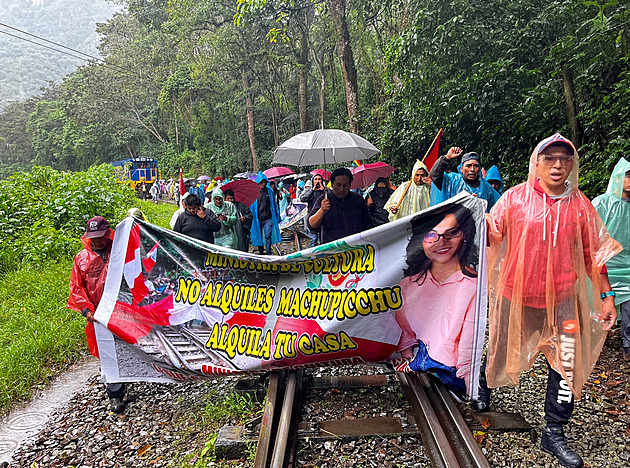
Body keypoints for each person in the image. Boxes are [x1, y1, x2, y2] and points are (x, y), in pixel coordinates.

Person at [480, 133, 621, 468]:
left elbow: (595, 256)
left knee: (567, 362)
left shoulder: (581, 207)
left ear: (572, 165)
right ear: (537, 164)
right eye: (550, 159)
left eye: (565, 159)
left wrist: (607, 297)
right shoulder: (515, 199)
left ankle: (554, 430)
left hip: (563, 303)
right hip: (518, 298)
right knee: (501, 346)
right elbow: (490, 234)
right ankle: (483, 386)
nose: (558, 166)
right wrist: (467, 217)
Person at [395, 204, 478, 397]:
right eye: (432, 235)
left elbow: (469, 342)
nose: (442, 242)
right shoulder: (407, 285)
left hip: (452, 371)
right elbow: (404, 335)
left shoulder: (471, 285)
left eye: (452, 233)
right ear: (420, 241)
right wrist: (407, 354)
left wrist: (467, 379)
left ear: (464, 235)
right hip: (417, 359)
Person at [67, 216, 126, 413]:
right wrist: (87, 310)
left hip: (122, 310)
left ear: (108, 234)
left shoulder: (121, 252)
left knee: (126, 346)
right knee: (107, 352)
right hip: (98, 314)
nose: (97, 241)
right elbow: (77, 287)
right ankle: (115, 394)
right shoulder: (81, 258)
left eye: (101, 237)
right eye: (94, 237)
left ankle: (127, 377)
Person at [593, 158, 630, 361]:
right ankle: (596, 342)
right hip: (605, 265)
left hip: (628, 266)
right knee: (599, 305)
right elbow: (590, 232)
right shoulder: (602, 203)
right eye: (627, 175)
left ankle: (628, 346)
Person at [308, 167, 374, 244]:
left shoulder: (358, 199)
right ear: (332, 184)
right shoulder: (323, 200)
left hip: (356, 248)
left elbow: (368, 225)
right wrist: (322, 210)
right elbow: (311, 225)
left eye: (345, 185)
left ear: (350, 184)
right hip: (332, 250)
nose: (341, 189)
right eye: (338, 185)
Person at [430, 147, 500, 212]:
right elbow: (435, 174)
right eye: (468, 166)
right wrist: (447, 157)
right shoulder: (452, 181)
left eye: (475, 166)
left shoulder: (486, 187)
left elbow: (498, 207)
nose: (472, 169)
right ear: (461, 169)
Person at [250, 172, 281, 254]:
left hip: (268, 218)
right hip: (258, 218)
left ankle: (268, 252)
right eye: (261, 182)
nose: (263, 184)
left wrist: (277, 215)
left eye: (264, 182)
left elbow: (274, 204)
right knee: (259, 235)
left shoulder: (269, 192)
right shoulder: (254, 193)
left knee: (268, 235)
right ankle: (261, 250)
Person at [300, 174, 327, 246]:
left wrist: (324, 190)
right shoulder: (309, 190)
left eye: (319, 179)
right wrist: (312, 190)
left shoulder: (325, 190)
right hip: (312, 218)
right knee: (313, 240)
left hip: (324, 217)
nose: (317, 181)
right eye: (316, 179)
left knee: (323, 240)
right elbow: (303, 199)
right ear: (312, 181)